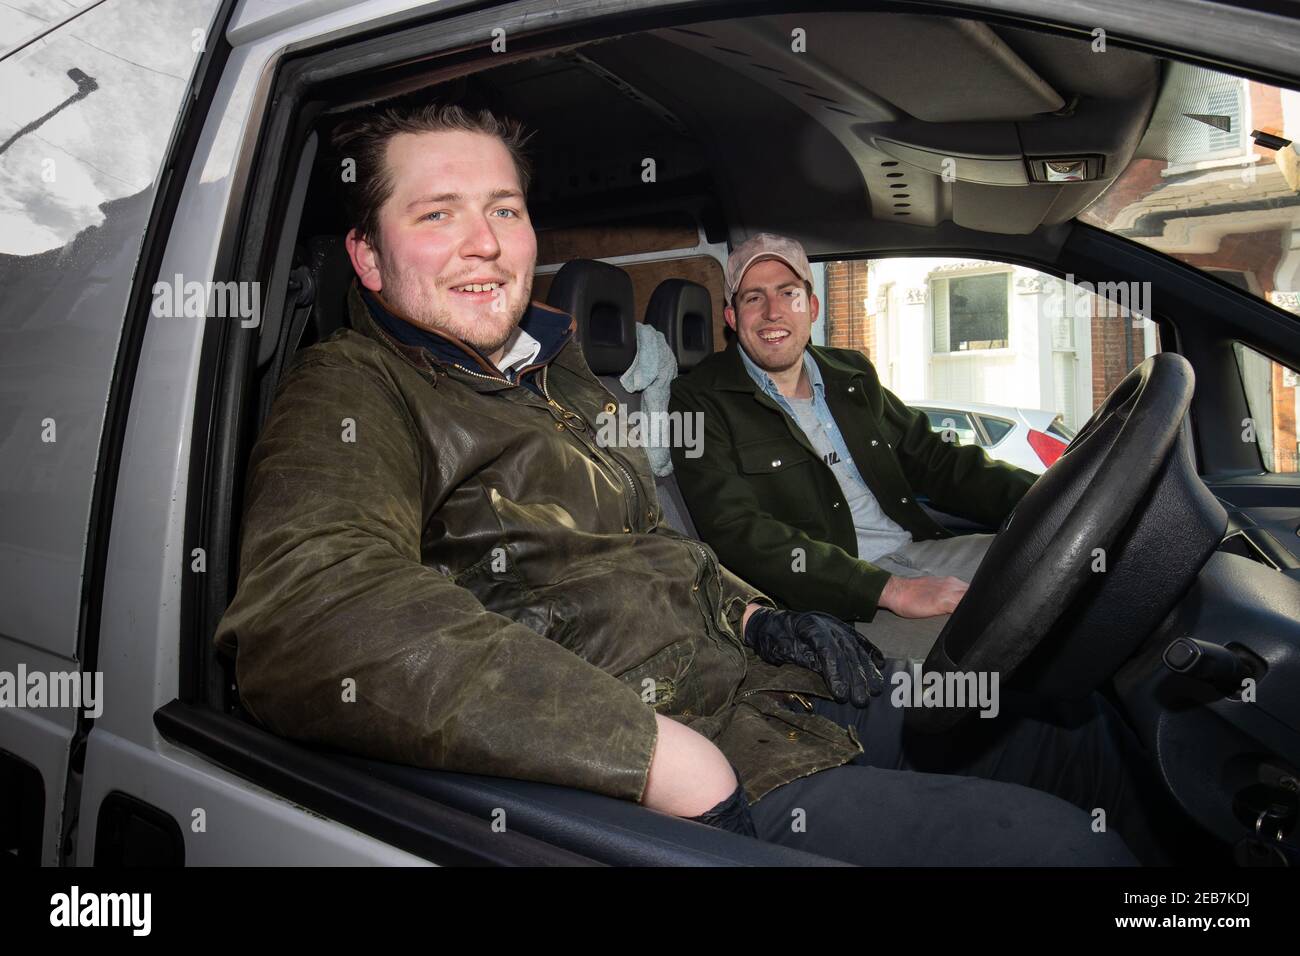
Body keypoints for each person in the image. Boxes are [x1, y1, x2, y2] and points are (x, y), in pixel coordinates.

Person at [214, 101, 1176, 866]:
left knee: (1072, 734)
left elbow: (663, 548)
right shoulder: (355, 385)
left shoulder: (563, 378)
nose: (486, 242)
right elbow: (310, 615)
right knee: (1055, 851)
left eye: (504, 209)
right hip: (682, 761)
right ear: (368, 257)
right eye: (437, 215)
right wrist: (642, 749)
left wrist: (765, 620)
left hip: (766, 691)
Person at [670, 233, 1036, 657]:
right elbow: (735, 530)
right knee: (989, 656)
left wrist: (1050, 497)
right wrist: (888, 590)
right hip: (843, 599)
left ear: (812, 306)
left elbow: (937, 460)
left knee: (1053, 565)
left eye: (788, 294)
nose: (773, 313)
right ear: (733, 317)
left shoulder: (852, 374)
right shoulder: (696, 400)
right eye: (754, 298)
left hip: (919, 551)